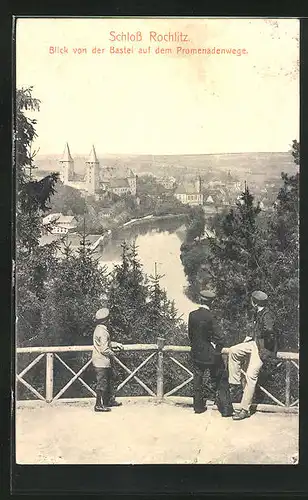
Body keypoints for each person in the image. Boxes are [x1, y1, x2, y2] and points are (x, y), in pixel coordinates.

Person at [228, 290, 277, 421]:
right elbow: (254, 331)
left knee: (250, 376)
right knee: (233, 350)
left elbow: (270, 332)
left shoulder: (267, 315)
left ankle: (244, 409)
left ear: (254, 303)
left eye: (251, 301)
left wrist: (266, 349)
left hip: (262, 348)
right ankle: (235, 382)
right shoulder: (258, 312)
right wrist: (248, 339)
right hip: (254, 344)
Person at [188, 289, 234, 417]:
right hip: (210, 354)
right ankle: (225, 409)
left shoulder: (192, 315)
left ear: (200, 300)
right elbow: (221, 338)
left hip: (196, 352)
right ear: (211, 302)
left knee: (197, 379)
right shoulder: (211, 317)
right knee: (221, 379)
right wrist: (216, 348)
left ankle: (198, 407)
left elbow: (191, 335)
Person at [91, 307, 124, 412]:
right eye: (108, 319)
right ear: (106, 320)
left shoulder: (99, 330)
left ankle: (108, 400)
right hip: (102, 361)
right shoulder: (103, 332)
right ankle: (98, 405)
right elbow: (105, 349)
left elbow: (105, 344)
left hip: (100, 360)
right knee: (102, 383)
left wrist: (116, 344)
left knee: (110, 380)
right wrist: (114, 354)